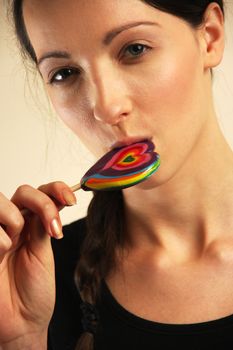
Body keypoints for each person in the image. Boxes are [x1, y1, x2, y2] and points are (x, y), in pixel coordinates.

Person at [0, 0, 233, 349]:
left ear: (210, 37)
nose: (106, 108)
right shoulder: (33, 281)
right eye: (65, 73)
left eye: (135, 49)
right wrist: (20, 340)